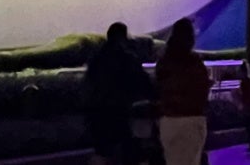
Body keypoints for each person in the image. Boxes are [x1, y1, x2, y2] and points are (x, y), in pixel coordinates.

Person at [83, 21, 152, 165]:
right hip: (119, 112)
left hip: (97, 113)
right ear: (122, 38)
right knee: (128, 150)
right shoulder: (127, 58)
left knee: (102, 152)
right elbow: (143, 81)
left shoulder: (95, 58)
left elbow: (88, 85)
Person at [155, 19, 211, 165]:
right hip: (191, 120)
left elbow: (158, 87)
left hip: (169, 121)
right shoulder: (194, 62)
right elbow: (201, 90)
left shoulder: (164, 61)